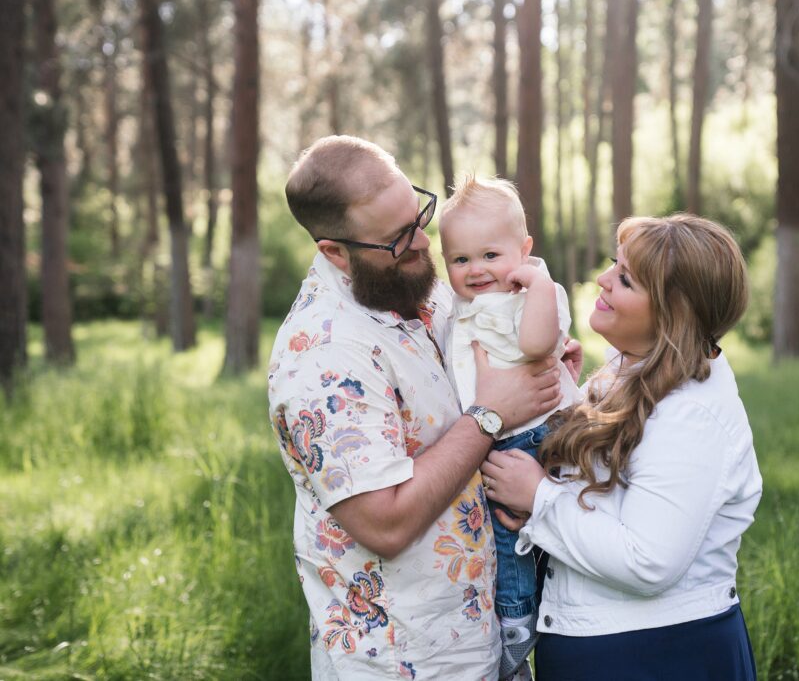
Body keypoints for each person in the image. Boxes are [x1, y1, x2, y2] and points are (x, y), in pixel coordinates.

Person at [268, 135, 572, 680]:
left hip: (483, 633)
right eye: (395, 238)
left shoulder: (416, 283)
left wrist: (541, 381)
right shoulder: (322, 355)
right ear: (334, 251)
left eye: (418, 217)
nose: (420, 243)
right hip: (402, 657)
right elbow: (382, 523)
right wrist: (489, 415)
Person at [481, 214, 762, 680]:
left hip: (660, 655)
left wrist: (538, 499)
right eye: (615, 264)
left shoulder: (691, 414)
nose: (603, 279)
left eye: (626, 279)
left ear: (673, 312)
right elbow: (610, 489)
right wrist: (568, 400)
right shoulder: (633, 372)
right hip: (610, 647)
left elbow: (648, 560)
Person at [438, 175, 582, 679]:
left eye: (490, 256)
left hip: (535, 434)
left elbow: (541, 344)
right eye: (460, 260)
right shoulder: (463, 306)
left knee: (514, 532)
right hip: (504, 432)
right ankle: (523, 616)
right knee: (512, 536)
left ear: (523, 250)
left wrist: (539, 285)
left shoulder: (535, 292)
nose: (476, 270)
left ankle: (519, 624)